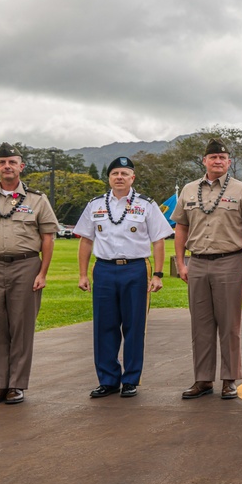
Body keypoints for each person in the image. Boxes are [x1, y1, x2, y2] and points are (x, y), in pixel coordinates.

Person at [0, 142, 59, 405]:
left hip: (26, 266)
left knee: (21, 326)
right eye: (3, 162)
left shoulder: (37, 199)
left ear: (21, 167)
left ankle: (16, 384)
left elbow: (47, 237)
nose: (7, 166)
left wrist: (43, 272)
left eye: (12, 162)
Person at [73, 157, 173, 399]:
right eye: (115, 173)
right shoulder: (95, 205)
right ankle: (107, 380)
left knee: (134, 325)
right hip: (104, 270)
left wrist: (158, 274)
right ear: (108, 178)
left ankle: (130, 379)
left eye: (124, 173)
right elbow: (86, 240)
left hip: (135, 269)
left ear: (132, 178)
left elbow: (158, 240)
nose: (119, 177)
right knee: (104, 326)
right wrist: (83, 274)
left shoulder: (146, 205)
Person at [171, 139, 242, 400]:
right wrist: (180, 263)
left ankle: (229, 379)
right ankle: (203, 379)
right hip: (197, 262)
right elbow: (181, 228)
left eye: (222, 157)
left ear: (229, 162)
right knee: (200, 325)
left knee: (229, 325)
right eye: (213, 157)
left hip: (230, 262)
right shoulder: (188, 190)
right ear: (204, 161)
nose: (218, 161)